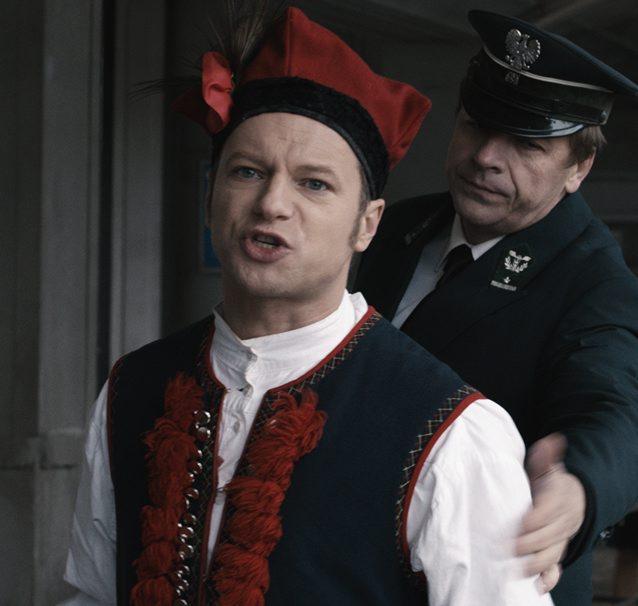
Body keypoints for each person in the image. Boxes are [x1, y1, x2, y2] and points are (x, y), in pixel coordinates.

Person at [63, 5, 552, 605]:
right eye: (248, 172)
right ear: (212, 195)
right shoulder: (132, 388)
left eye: (314, 183)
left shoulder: (452, 431)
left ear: (367, 223)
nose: (272, 203)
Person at [355, 9, 638, 606]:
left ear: (578, 168)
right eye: (476, 125)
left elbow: (614, 408)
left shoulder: (595, 279)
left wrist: (578, 489)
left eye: (526, 143)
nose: (486, 156)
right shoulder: (399, 228)